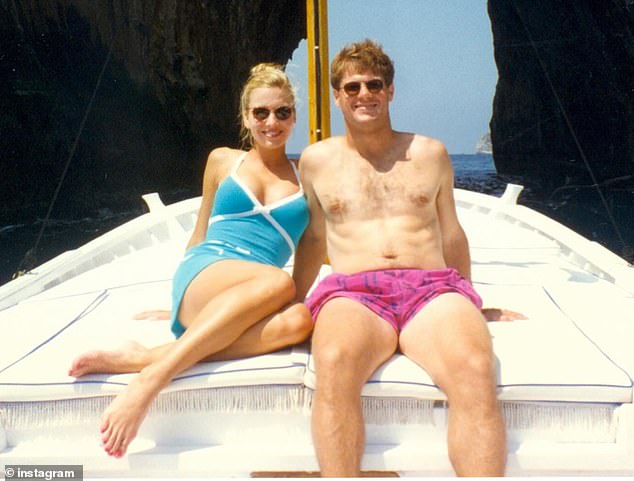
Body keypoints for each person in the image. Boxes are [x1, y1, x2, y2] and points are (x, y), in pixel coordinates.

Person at [69, 63, 313, 458]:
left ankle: (142, 357)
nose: (272, 122)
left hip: (247, 293)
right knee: (280, 284)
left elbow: (313, 252)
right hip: (207, 270)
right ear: (246, 117)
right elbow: (200, 233)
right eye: (261, 112)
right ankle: (151, 379)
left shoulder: (307, 181)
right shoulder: (223, 161)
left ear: (294, 116)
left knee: (300, 318)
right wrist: (177, 301)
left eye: (282, 112)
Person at [292, 40, 507, 476]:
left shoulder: (430, 153)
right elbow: (314, 240)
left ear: (390, 91)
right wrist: (291, 300)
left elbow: (451, 233)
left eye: (374, 84)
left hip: (431, 289)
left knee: (474, 366)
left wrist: (472, 302)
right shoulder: (315, 161)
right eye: (351, 87)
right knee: (333, 362)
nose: (363, 94)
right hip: (353, 293)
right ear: (337, 96)